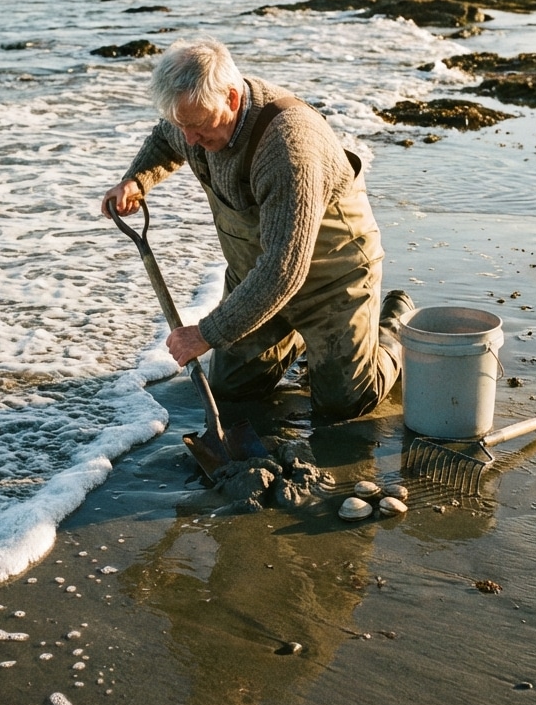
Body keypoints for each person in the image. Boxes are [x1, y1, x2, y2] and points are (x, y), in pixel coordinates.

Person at [101, 35, 412, 420]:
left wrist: (205, 334)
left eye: (197, 126)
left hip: (331, 281)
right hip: (254, 278)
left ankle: (394, 326)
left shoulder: (288, 145)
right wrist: (136, 180)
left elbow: (285, 271)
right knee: (231, 391)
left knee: (344, 404)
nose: (190, 140)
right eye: (181, 124)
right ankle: (297, 339)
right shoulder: (193, 120)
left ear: (232, 99)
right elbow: (166, 139)